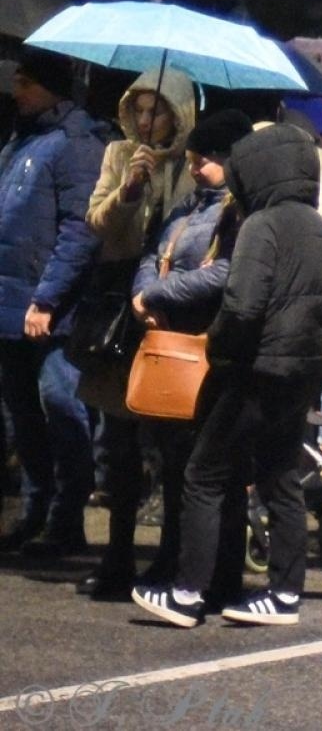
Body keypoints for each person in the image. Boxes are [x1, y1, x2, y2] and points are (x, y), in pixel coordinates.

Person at [133, 124, 322, 628]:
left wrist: (219, 347)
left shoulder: (260, 225)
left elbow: (242, 306)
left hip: (256, 369)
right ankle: (284, 594)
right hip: (303, 370)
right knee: (280, 477)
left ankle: (187, 592)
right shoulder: (319, 227)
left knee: (203, 473)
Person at [99, 110, 252, 603]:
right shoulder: (188, 205)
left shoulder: (237, 211)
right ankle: (171, 556)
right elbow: (152, 252)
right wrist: (143, 293)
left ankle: (211, 571)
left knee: (206, 466)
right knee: (171, 459)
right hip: (168, 342)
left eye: (205, 159)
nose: (195, 167)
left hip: (209, 346)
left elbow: (225, 272)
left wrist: (160, 293)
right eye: (191, 158)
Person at [77, 66, 197, 591]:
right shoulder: (119, 153)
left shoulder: (194, 161)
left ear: (179, 113)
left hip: (171, 310)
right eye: (140, 110)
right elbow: (97, 223)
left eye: (158, 111)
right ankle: (117, 557)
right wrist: (129, 190)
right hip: (118, 307)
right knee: (118, 440)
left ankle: (171, 557)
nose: (147, 121)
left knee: (172, 441)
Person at [0, 49, 106, 555]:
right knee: (22, 415)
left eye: (26, 82)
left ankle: (66, 521)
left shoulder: (76, 144)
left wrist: (46, 299)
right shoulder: (22, 140)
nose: (16, 90)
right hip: (11, 303)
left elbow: (79, 232)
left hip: (51, 310)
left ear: (51, 88)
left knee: (61, 408)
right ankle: (35, 511)